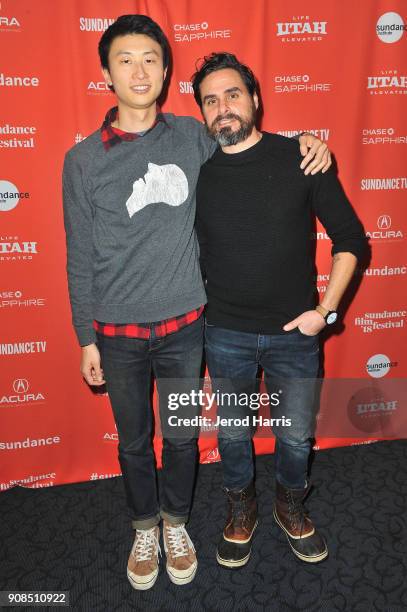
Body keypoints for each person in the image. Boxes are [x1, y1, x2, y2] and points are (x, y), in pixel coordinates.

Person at [62, 15, 331, 590]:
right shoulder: (83, 161)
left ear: (165, 71)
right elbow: (79, 253)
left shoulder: (191, 136)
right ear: (106, 72)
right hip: (116, 332)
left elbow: (250, 137)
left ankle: (177, 521)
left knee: (181, 436)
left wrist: (313, 141)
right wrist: (86, 336)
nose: (139, 70)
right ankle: (144, 526)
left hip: (187, 326)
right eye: (126, 59)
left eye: (151, 59)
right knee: (134, 440)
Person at [192, 53, 367, 569]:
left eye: (232, 95)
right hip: (223, 333)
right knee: (231, 432)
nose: (223, 108)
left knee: (295, 433)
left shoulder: (301, 157)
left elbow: (351, 239)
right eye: (210, 100)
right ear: (202, 113)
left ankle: (290, 503)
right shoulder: (195, 173)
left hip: (296, 334)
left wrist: (326, 311)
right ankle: (240, 504)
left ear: (256, 100)